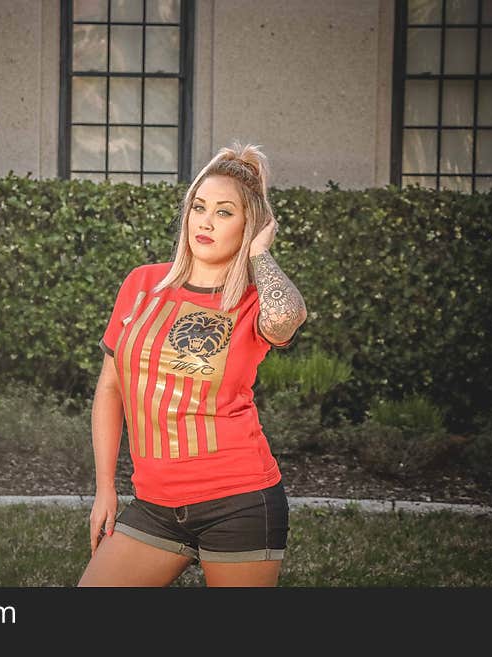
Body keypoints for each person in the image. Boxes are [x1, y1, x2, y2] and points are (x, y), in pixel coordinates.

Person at [77, 142, 307, 587]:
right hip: (155, 504)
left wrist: (260, 252)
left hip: (238, 499)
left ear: (248, 226)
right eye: (199, 207)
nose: (206, 220)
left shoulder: (251, 303)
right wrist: (106, 487)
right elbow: (111, 387)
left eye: (225, 212)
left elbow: (287, 318)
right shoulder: (144, 284)